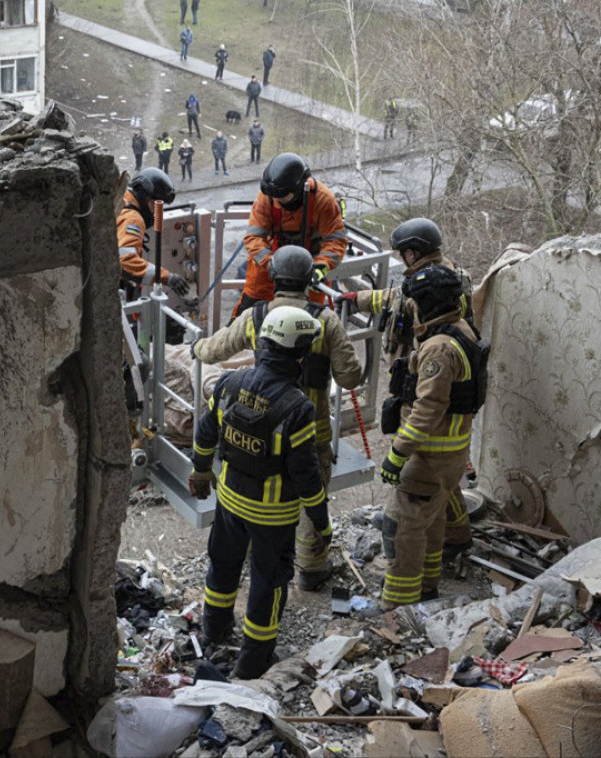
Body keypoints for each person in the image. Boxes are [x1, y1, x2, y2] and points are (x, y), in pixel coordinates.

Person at [191, 246, 362, 590]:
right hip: (311, 430)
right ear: (308, 279)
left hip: (264, 425)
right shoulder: (325, 320)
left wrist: (196, 347)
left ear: (274, 278)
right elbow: (350, 377)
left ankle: (254, 556)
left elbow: (214, 349)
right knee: (312, 495)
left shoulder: (256, 316)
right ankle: (312, 569)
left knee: (257, 490)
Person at [189, 306, 331, 679]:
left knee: (223, 563)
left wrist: (201, 471)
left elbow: (205, 434)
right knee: (268, 584)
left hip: (230, 501)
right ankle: (253, 662)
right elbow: (306, 475)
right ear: (299, 353)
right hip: (272, 515)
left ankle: (215, 631)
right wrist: (321, 523)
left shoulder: (229, 383)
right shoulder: (297, 408)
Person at [338, 218, 475, 556]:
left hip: (428, 389)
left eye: (403, 254)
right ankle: (457, 539)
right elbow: (395, 298)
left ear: (413, 253)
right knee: (442, 483)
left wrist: (397, 454)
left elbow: (403, 303)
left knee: (416, 494)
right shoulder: (441, 277)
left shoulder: (433, 289)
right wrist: (359, 299)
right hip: (438, 397)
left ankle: (409, 584)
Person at [376, 265, 486, 610]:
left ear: (427, 303)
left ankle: (397, 605)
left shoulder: (439, 348)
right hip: (449, 456)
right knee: (433, 519)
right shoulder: (461, 328)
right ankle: (426, 588)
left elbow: (428, 407)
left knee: (402, 527)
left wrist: (397, 453)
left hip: (428, 455)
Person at [233, 152, 347, 319]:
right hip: (272, 261)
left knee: (309, 315)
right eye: (273, 196)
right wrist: (270, 263)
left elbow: (335, 241)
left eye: (281, 197)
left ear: (298, 189)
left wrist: (321, 266)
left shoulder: (323, 200)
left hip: (310, 265)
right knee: (250, 306)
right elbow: (253, 238)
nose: (276, 200)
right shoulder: (269, 196)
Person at [116, 167, 190, 299]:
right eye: (154, 205)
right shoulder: (133, 218)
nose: (156, 213)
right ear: (144, 197)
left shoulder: (122, 200)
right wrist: (167, 277)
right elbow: (124, 261)